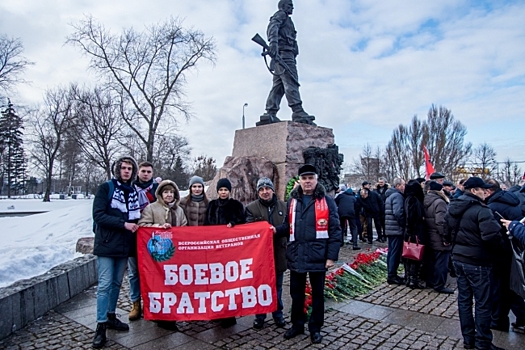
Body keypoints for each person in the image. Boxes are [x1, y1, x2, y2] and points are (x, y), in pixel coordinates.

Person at [273, 164, 341, 344]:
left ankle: (315, 327)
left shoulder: (327, 201)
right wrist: (273, 230)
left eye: (311, 178)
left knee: (317, 294)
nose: (307, 181)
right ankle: (297, 324)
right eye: (304, 178)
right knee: (296, 293)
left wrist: (331, 256)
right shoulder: (292, 201)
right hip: (297, 255)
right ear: (299, 181)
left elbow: (335, 230)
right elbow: (288, 226)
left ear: (316, 180)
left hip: (318, 256)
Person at [445, 177, 505, 350]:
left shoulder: (454, 206)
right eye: (481, 189)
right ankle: (483, 342)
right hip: (477, 262)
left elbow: (446, 231)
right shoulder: (482, 210)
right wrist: (499, 248)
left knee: (464, 300)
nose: (485, 192)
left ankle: (468, 339)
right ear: (473, 191)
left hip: (458, 259)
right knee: (482, 303)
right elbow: (492, 236)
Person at [92, 156, 140, 348]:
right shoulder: (106, 188)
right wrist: (123, 224)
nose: (126, 171)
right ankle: (100, 325)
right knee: (104, 285)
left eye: (129, 168)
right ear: (117, 170)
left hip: (123, 246)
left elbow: (138, 217)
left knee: (116, 283)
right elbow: (98, 215)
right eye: (123, 168)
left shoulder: (133, 192)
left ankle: (111, 315)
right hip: (106, 244)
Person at [138, 180, 188, 330]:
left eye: (171, 192)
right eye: (166, 192)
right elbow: (142, 226)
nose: (168, 195)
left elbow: (184, 227)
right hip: (157, 255)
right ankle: (161, 317)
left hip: (175, 255)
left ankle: (172, 313)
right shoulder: (151, 208)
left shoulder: (179, 210)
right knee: (159, 285)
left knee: (173, 284)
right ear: (160, 194)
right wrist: (158, 228)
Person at [258, 0, 315, 126]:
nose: (292, 8)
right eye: (290, 6)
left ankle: (270, 112)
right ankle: (297, 110)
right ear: (283, 6)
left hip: (285, 55)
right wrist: (273, 43)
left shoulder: (288, 20)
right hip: (284, 55)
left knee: (279, 86)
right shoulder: (281, 15)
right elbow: (273, 26)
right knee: (291, 81)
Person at [245, 177, 287, 329]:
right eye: (261, 189)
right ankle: (260, 316)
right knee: (260, 286)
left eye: (267, 189)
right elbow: (249, 228)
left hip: (278, 252)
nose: (265, 192)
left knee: (278, 287)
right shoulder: (251, 208)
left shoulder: (284, 206)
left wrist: (277, 231)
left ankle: (278, 314)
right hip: (260, 255)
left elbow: (289, 226)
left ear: (272, 190)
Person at [484, 179, 525, 332]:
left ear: (488, 191)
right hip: (515, 252)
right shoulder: (514, 201)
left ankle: (499, 321)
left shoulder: (492, 207)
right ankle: (521, 317)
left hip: (500, 254)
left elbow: (491, 234)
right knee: (512, 288)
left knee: (498, 290)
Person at [205, 178, 246, 328]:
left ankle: (229, 314)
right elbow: (206, 225)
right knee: (216, 282)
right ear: (217, 191)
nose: (223, 192)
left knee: (229, 283)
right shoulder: (212, 205)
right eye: (221, 190)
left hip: (230, 250)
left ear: (230, 191)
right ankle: (217, 311)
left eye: (225, 190)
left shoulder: (236, 205)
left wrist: (233, 223)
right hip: (214, 250)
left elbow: (242, 221)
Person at [128, 161, 159, 322]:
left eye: (148, 171)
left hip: (153, 238)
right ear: (138, 172)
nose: (146, 174)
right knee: (134, 273)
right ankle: (135, 304)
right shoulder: (130, 189)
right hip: (134, 236)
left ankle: (152, 303)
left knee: (153, 271)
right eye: (143, 171)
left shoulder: (156, 190)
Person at [423, 181, 453, 294]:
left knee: (432, 260)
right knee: (441, 262)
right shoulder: (440, 202)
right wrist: (446, 238)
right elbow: (441, 222)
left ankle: (430, 281)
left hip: (429, 234)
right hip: (438, 236)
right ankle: (439, 284)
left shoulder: (426, 199)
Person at [403, 180, 426, 289]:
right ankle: (412, 279)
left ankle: (409, 278)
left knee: (410, 256)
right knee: (414, 256)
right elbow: (410, 218)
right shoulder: (413, 200)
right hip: (414, 232)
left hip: (411, 232)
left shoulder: (408, 199)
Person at [385, 178, 406, 285]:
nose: (404, 186)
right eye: (403, 184)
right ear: (398, 186)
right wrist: (404, 224)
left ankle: (391, 273)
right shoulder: (397, 196)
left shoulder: (391, 195)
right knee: (394, 252)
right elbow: (398, 213)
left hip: (391, 228)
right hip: (396, 229)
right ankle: (392, 275)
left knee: (391, 252)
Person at [335, 186, 360, 250]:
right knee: (353, 227)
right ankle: (355, 244)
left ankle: (341, 242)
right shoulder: (353, 198)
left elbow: (335, 202)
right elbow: (357, 206)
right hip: (351, 213)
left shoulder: (341, 196)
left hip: (341, 212)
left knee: (341, 227)